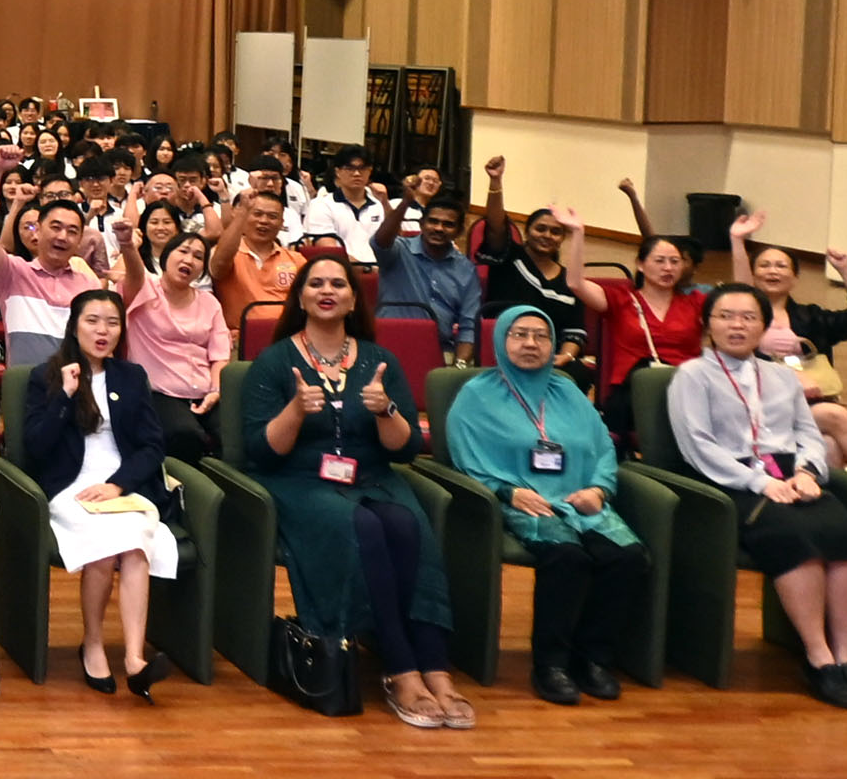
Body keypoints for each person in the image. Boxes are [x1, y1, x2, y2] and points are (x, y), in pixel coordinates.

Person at [241, 253, 466, 728]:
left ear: (351, 300)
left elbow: (404, 450)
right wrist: (297, 411)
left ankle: (434, 663)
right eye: (316, 283)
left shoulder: (380, 360)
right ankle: (401, 669)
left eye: (338, 285)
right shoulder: (274, 362)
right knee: (359, 525)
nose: (327, 291)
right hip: (298, 479)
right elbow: (260, 451)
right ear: (299, 296)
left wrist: (386, 411)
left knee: (407, 526)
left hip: (372, 474)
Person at [671, 283, 847, 709]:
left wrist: (807, 471)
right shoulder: (691, 375)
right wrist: (761, 482)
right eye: (726, 315)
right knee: (798, 542)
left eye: (749, 317)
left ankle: (846, 660)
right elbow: (698, 445)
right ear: (708, 324)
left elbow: (807, 433)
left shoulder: (782, 376)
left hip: (793, 475)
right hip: (731, 482)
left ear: (764, 326)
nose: (737, 325)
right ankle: (818, 658)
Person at [442, 307, 643, 705]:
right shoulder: (476, 395)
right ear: (501, 340)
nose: (531, 344)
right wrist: (507, 491)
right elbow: (465, 457)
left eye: (541, 336)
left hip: (579, 496)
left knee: (629, 557)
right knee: (567, 558)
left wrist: (600, 490)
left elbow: (604, 446)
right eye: (519, 335)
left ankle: (593, 658)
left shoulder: (567, 389)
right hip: (520, 499)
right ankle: (550, 665)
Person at [20, 289, 180, 699]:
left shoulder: (131, 377)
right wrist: (66, 396)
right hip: (71, 485)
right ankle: (92, 643)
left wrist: (118, 484)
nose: (103, 330)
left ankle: (133, 658)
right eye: (92, 320)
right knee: (108, 546)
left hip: (121, 485)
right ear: (74, 325)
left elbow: (151, 446)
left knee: (134, 545)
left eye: (112, 322)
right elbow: (36, 447)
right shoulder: (45, 376)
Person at [731, 212, 847, 479]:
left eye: (781, 266)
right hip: (760, 409)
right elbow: (739, 300)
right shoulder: (741, 320)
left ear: (795, 277)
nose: (773, 271)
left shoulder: (811, 318)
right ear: (753, 275)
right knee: (834, 415)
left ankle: (836, 509)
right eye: (765, 266)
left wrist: (846, 270)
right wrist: (737, 241)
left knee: (831, 446)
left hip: (807, 409)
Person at [557, 207, 703, 438]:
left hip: (685, 391)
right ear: (641, 264)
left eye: (675, 262)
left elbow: (744, 303)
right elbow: (575, 283)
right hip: (632, 394)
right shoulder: (622, 298)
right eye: (660, 261)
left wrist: (737, 242)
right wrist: (578, 233)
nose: (668, 268)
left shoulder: (696, 302)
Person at [0, 145, 101, 367]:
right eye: (55, 227)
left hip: (78, 384)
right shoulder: (12, 273)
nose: (62, 236)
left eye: (72, 231)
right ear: (37, 230)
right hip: (27, 385)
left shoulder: (88, 283)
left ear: (79, 242)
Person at [110, 222, 230, 461]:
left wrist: (216, 390)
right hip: (159, 392)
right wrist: (127, 245)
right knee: (185, 435)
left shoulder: (209, 302)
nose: (189, 259)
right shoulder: (145, 290)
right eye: (183, 251)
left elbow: (220, 356)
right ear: (166, 256)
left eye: (198, 256)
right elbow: (135, 273)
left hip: (206, 391)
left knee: (234, 435)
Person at [475, 158, 590, 383]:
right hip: (504, 349)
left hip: (550, 356)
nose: (547, 235)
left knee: (578, 375)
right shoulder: (508, 257)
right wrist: (496, 182)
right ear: (527, 231)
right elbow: (496, 226)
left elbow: (575, 330)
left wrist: (565, 356)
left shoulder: (571, 281)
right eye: (540, 228)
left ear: (562, 240)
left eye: (555, 232)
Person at [375, 187, 482, 367]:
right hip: (388, 346)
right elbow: (380, 242)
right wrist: (405, 202)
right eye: (433, 221)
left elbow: (469, 326)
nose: (439, 228)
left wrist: (459, 367)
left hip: (440, 350)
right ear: (421, 223)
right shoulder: (399, 250)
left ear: (459, 232)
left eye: (448, 224)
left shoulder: (466, 270)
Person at [212, 184, 304, 327]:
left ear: (282, 224)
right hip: (240, 339)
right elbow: (218, 267)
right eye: (257, 214)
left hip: (287, 337)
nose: (264, 221)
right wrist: (242, 211)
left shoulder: (296, 260)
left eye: (272, 216)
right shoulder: (227, 252)